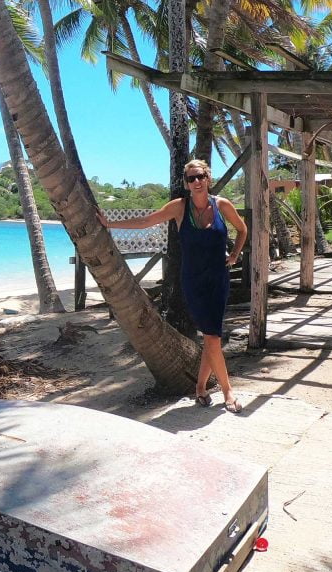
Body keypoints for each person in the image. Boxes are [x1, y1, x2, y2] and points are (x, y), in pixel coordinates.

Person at [98, 159, 248, 411]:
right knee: (212, 336)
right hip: (193, 281)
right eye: (191, 179)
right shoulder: (180, 207)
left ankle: (200, 389)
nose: (196, 182)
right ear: (186, 184)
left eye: (200, 176)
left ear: (208, 178)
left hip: (218, 281)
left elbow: (242, 230)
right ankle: (228, 392)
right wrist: (109, 224)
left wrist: (233, 256)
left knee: (211, 337)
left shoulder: (222, 205)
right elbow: (147, 221)